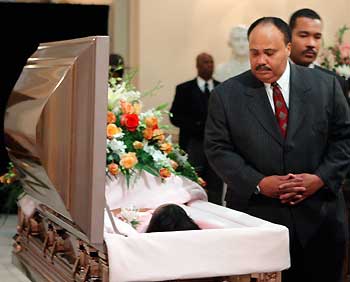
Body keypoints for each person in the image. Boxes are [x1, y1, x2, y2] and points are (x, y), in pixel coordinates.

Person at [205, 17, 350, 282]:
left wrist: (319, 179)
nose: (261, 60)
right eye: (254, 52)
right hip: (257, 218)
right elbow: (217, 148)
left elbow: (344, 139)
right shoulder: (226, 95)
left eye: (269, 53)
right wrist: (258, 182)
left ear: (287, 48)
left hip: (320, 217)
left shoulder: (326, 86)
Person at [170, 53, 223, 205]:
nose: (209, 65)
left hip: (216, 145)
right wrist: (196, 126)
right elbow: (175, 116)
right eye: (205, 62)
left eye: (211, 62)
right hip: (192, 144)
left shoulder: (221, 88)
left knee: (216, 183)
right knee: (192, 182)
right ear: (198, 66)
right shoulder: (184, 89)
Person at [289, 8, 349, 100]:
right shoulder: (272, 77)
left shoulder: (334, 82)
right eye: (303, 36)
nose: (311, 44)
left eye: (317, 37)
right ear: (288, 36)